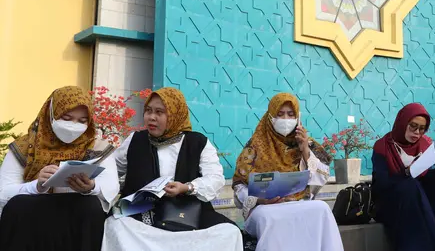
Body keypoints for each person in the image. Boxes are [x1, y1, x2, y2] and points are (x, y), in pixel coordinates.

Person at [101, 87, 242, 250]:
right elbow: (112, 170)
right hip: (142, 212)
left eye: (159, 112)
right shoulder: (135, 140)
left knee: (229, 232)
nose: (151, 117)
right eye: (148, 111)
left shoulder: (198, 143)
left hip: (187, 211)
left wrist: (187, 187)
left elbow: (215, 179)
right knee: (116, 226)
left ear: (175, 114)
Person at [0, 86, 119, 250]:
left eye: (82, 121)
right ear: (50, 114)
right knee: (18, 205)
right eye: (66, 117)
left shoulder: (97, 147)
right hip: (32, 220)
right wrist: (36, 186)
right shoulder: (25, 147)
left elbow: (111, 187)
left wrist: (91, 187)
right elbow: (3, 192)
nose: (73, 125)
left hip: (76, 220)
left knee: (91, 205)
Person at [232, 93, 343, 251]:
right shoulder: (254, 146)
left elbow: (321, 179)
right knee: (268, 217)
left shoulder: (306, 143)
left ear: (298, 117)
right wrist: (258, 200)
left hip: (298, 203)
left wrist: (304, 149)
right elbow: (238, 187)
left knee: (321, 208)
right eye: (280, 114)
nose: (285, 119)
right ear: (270, 117)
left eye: (291, 115)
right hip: (265, 207)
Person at [371, 103, 435, 251]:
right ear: (402, 123)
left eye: (422, 128)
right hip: (391, 200)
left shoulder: (424, 144)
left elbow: (424, 178)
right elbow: (380, 184)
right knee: (410, 186)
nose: (417, 132)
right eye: (413, 126)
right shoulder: (382, 147)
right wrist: (406, 173)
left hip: (417, 195)